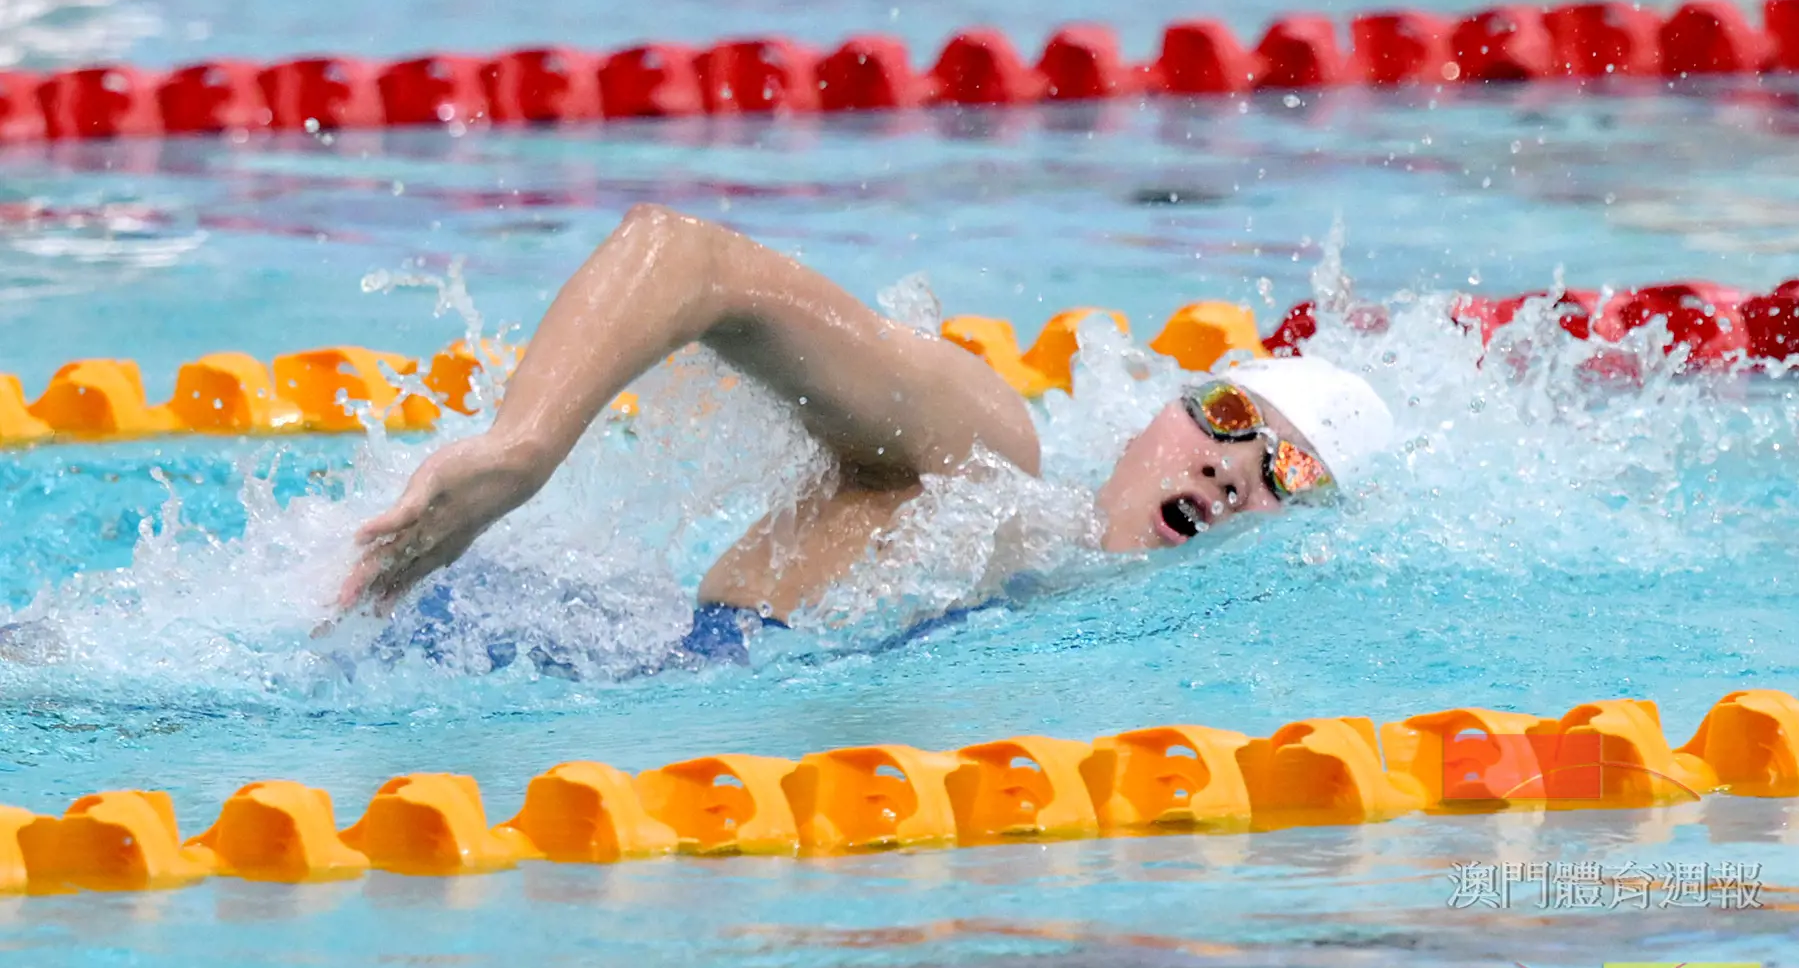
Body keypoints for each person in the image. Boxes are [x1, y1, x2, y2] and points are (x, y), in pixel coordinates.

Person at [337, 205, 1394, 645]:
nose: (1228, 473)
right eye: (1224, 417)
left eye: (1287, 472)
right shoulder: (984, 461)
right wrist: (522, 452)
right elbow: (689, 257)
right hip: (473, 642)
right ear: (1148, 419)